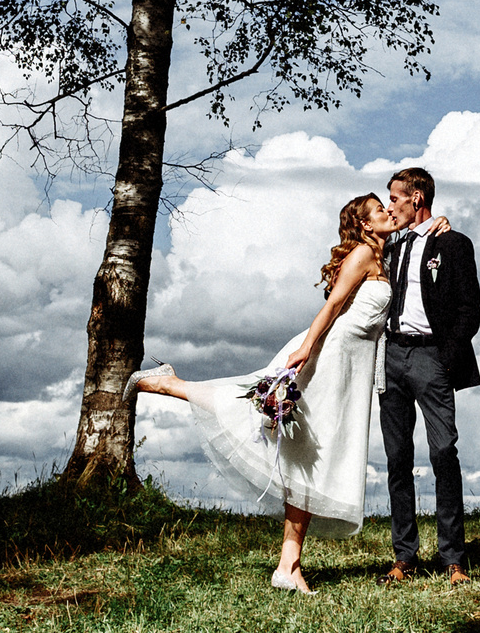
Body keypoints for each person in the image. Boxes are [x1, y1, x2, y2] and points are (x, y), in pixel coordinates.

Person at [128, 193, 396, 594]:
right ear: (364, 225)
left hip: (350, 371)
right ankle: (172, 384)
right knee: (261, 417)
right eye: (380, 210)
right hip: (330, 358)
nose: (388, 212)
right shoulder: (362, 253)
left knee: (307, 457)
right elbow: (334, 303)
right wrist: (306, 347)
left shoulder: (381, 255)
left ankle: (288, 567)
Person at [378, 165, 480, 584]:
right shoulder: (388, 248)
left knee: (443, 454)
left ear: (416, 198)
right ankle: (405, 557)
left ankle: (452, 558)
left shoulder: (453, 244)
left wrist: (443, 357)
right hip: (391, 357)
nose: (390, 206)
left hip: (431, 359)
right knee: (397, 460)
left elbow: (468, 311)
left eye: (396, 198)